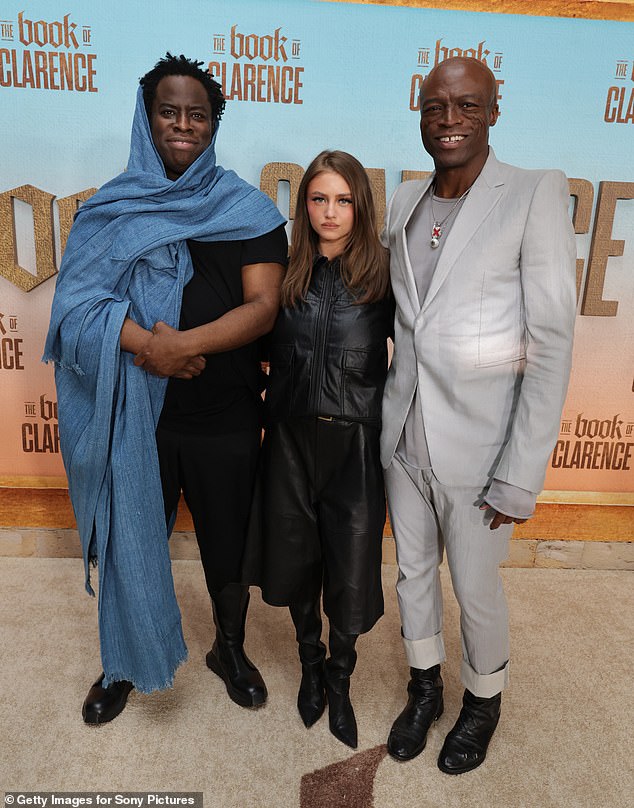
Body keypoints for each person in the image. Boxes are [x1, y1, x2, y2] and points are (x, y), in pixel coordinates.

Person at [43, 54, 287, 724]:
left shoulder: (248, 208)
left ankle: (229, 650)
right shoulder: (111, 210)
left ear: (214, 124)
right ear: (147, 118)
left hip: (227, 414)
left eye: (197, 114)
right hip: (136, 417)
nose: (183, 125)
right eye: (169, 111)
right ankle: (122, 661)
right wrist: (148, 347)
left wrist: (182, 345)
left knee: (226, 545)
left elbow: (263, 307)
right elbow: (73, 312)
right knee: (129, 536)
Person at [381, 56, 576, 774]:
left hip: (483, 447)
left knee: (475, 587)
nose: (450, 120)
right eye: (436, 107)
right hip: (404, 434)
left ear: (495, 110)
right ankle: (424, 688)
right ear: (420, 113)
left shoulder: (532, 193)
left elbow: (551, 343)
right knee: (410, 574)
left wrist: (521, 473)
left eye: (467, 106)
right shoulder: (403, 198)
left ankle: (482, 704)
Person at [258, 151, 393, 749]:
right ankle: (309, 663)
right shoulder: (285, 273)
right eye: (318, 199)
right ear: (304, 205)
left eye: (342, 200)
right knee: (296, 559)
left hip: (355, 444)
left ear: (359, 205)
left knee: (351, 569)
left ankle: (340, 678)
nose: (329, 212)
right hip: (288, 440)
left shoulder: (386, 274)